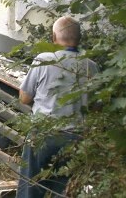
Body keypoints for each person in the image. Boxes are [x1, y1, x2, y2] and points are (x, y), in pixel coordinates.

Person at [17, 16, 98, 198]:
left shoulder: (43, 60)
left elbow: (24, 98)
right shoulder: (91, 67)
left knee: (30, 187)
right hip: (76, 138)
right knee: (63, 190)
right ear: (80, 38)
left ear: (54, 37)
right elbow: (95, 106)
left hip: (43, 134)